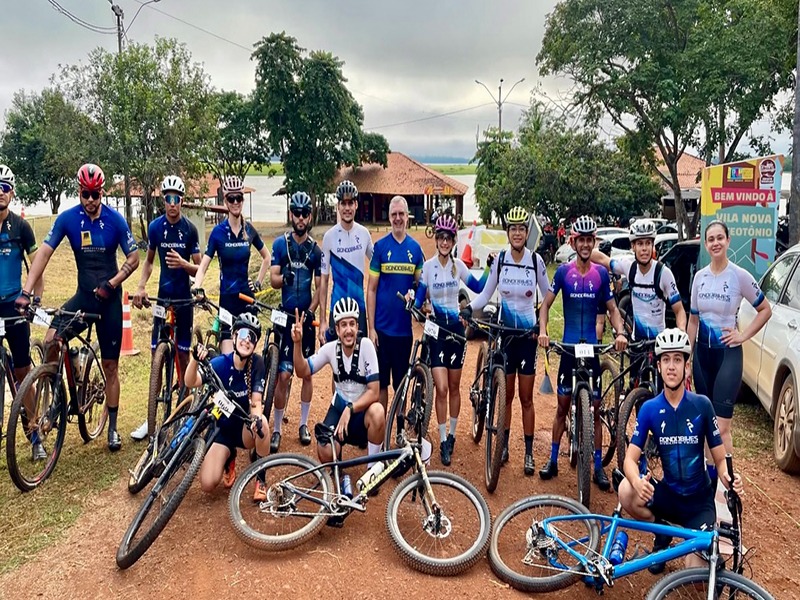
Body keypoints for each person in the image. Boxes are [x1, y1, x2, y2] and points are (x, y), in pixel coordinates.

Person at [17, 163, 139, 451]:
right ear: (79, 191)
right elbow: (44, 254)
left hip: (109, 300)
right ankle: (60, 387)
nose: (90, 201)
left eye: (95, 195)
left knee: (110, 366)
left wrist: (113, 282)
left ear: (102, 192)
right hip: (83, 297)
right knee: (50, 340)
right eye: (86, 194)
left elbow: (133, 258)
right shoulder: (68, 219)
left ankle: (111, 427)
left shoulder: (115, 220)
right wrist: (25, 290)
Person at [618, 328, 744, 573]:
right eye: (666, 359)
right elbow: (629, 461)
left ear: (687, 366)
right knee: (626, 490)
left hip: (699, 503)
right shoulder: (649, 409)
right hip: (670, 495)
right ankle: (662, 532)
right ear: (659, 366)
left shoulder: (702, 405)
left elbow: (719, 460)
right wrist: (636, 480)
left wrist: (729, 479)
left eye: (678, 359)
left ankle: (689, 543)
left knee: (696, 575)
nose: (671, 366)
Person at [538, 215, 627, 490]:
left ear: (594, 242)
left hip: (591, 349)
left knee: (596, 410)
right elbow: (545, 306)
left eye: (590, 240)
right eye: (582, 240)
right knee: (562, 408)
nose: (586, 245)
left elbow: (612, 309)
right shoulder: (564, 272)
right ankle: (553, 460)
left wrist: (621, 332)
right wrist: (543, 331)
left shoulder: (601, 274)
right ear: (574, 242)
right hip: (567, 348)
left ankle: (598, 467)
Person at [461, 206, 548, 475]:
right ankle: (505, 445)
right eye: (513, 229)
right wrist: (468, 309)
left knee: (526, 399)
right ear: (508, 233)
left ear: (526, 232)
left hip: (528, 337)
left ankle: (530, 453)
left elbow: (548, 297)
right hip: (506, 336)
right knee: (507, 396)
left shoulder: (536, 262)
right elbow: (486, 294)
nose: (518, 233)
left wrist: (542, 327)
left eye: (522, 229)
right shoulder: (500, 260)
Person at [687, 220, 771, 463]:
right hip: (702, 357)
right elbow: (693, 321)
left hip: (728, 357)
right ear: (706, 244)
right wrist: (686, 357)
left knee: (722, 428)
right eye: (711, 239)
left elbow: (765, 309)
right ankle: (709, 481)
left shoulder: (739, 275)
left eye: (719, 238)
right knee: (705, 424)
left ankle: (726, 488)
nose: (715, 243)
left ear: (728, 241)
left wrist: (742, 335)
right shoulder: (699, 278)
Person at [130, 175, 202, 441]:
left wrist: (185, 264)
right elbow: (148, 262)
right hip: (162, 298)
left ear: (182, 201)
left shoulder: (190, 229)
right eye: (169, 198)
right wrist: (140, 286)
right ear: (163, 200)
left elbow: (200, 267)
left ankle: (184, 413)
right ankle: (151, 419)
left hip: (184, 299)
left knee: (183, 357)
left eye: (178, 199)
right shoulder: (155, 228)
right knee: (156, 359)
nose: (173, 204)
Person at [416, 215, 486, 466]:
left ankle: (452, 436)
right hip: (436, 331)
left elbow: (479, 286)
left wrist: (491, 266)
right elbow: (419, 297)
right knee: (442, 388)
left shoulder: (459, 267)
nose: (444, 242)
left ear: (454, 241)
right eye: (441, 237)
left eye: (449, 238)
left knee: (455, 387)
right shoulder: (428, 267)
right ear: (436, 239)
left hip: (456, 331)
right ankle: (443, 437)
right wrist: (415, 306)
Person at [184, 313, 271, 500]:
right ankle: (229, 457)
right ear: (233, 337)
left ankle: (261, 480)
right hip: (221, 429)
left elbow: (256, 401)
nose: (246, 341)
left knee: (262, 423)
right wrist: (194, 360)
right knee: (207, 484)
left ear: (255, 344)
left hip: (243, 429)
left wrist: (255, 418)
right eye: (243, 335)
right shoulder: (220, 364)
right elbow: (191, 382)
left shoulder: (257, 364)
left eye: (252, 338)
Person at [591, 219, 686, 385]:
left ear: (653, 246)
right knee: (636, 385)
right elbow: (603, 260)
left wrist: (681, 333)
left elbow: (679, 311)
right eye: (640, 243)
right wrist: (582, 247)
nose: (644, 248)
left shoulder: (663, 273)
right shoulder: (629, 267)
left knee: (661, 388)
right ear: (633, 247)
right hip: (637, 341)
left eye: (648, 243)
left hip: (659, 342)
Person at [294, 298, 384, 470]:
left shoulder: (366, 347)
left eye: (352, 324)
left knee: (378, 412)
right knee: (324, 449)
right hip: (338, 408)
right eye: (343, 325)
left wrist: (350, 409)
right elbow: (302, 371)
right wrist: (297, 344)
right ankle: (338, 461)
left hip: (361, 414)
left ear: (358, 327)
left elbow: (374, 392)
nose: (348, 330)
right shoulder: (330, 349)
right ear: (336, 329)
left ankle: (372, 469)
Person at [268, 191, 322, 453]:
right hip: (286, 317)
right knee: (284, 375)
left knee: (307, 373)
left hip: (306, 317)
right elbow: (273, 279)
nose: (300, 218)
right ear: (291, 214)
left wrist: (312, 311)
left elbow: (320, 288)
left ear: (309, 216)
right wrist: (284, 278)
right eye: (296, 213)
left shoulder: (315, 250)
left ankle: (303, 424)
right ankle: (277, 429)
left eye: (304, 213)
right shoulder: (280, 245)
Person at [192, 175, 269, 355]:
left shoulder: (249, 230)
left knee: (246, 356)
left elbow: (267, 257)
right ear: (225, 201)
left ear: (242, 200)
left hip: (247, 300)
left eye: (239, 198)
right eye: (231, 198)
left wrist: (258, 282)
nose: (235, 202)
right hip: (226, 300)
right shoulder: (218, 233)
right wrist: (196, 286)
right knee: (228, 358)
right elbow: (203, 266)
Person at [0, 165, 45, 459]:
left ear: (12, 192)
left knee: (21, 372)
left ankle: (35, 434)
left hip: (14, 305)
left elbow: (36, 266)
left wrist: (35, 300)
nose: (0, 192)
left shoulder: (20, 227)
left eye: (5, 187)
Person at [366, 195, 424, 412]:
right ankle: (381, 432)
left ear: (407, 216)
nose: (398, 218)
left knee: (400, 383)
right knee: (381, 385)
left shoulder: (416, 249)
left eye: (401, 214)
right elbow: (371, 290)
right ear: (389, 217)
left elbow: (421, 285)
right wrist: (371, 328)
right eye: (394, 215)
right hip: (381, 330)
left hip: (403, 332)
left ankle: (398, 428)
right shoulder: (380, 248)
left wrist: (419, 300)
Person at [318, 180, 374, 345]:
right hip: (337, 308)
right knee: (337, 365)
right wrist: (322, 321)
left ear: (356, 205)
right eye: (343, 203)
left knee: (360, 363)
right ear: (338, 206)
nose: (347, 208)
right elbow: (324, 280)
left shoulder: (364, 234)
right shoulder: (329, 237)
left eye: (351, 203)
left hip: (359, 310)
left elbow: (378, 264)